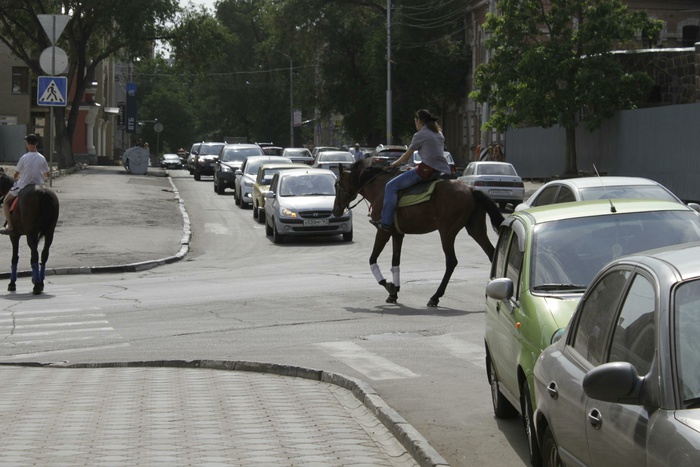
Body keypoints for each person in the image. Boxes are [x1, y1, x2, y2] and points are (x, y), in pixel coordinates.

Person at [370, 109, 451, 232]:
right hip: (440, 170)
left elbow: (407, 156)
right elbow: (431, 155)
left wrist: (394, 164)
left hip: (426, 170)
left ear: (419, 121)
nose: (415, 122)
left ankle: (385, 222)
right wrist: (414, 167)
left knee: (390, 186)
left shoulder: (420, 135)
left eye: (415, 120)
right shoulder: (439, 134)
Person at [1, 134, 51, 235]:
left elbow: (16, 175)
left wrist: (17, 177)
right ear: (36, 143)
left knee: (6, 202)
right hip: (39, 184)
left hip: (24, 185)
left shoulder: (24, 157)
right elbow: (47, 174)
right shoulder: (42, 158)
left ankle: (10, 226)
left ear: (27, 143)